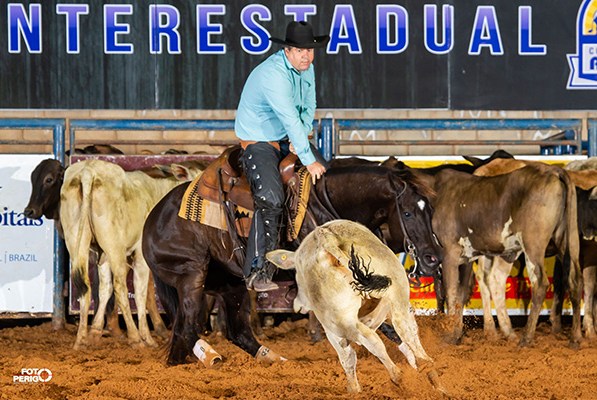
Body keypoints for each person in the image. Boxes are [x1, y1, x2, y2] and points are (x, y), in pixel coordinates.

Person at [235, 20, 329, 292]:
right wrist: (308, 158)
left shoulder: (306, 69)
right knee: (270, 197)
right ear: (287, 50)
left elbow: (308, 105)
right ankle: (257, 270)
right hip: (259, 137)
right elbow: (289, 117)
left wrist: (303, 139)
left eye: (309, 50)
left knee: (327, 180)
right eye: (300, 50)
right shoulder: (273, 75)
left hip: (287, 136)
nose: (306, 56)